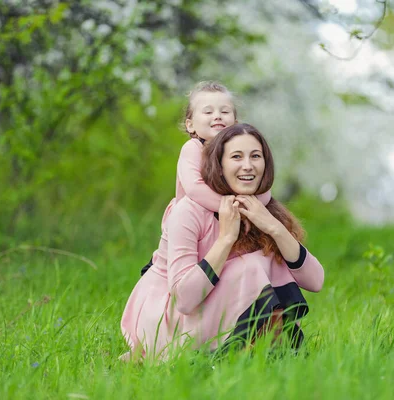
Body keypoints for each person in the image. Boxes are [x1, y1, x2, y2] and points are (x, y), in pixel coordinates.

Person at [120, 124, 324, 361]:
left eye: (255, 156)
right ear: (219, 165)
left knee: (268, 258)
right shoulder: (189, 211)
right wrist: (226, 238)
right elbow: (185, 300)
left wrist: (273, 227)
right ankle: (226, 355)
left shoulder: (262, 209)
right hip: (171, 322)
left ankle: (269, 351)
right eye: (236, 157)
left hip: (217, 309)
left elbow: (316, 281)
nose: (248, 165)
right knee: (253, 265)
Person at [139, 81, 271, 276]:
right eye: (208, 112)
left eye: (224, 111)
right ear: (190, 125)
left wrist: (253, 208)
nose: (217, 115)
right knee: (181, 273)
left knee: (226, 268)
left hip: (222, 224)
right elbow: (194, 188)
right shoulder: (193, 149)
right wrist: (234, 209)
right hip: (191, 227)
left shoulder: (238, 152)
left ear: (234, 123)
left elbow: (263, 185)